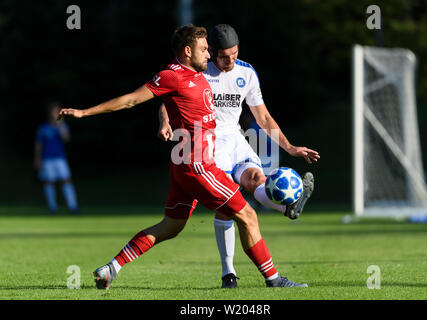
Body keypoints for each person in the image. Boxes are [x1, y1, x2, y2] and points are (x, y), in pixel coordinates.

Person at [59, 24, 307, 289]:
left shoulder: (198, 72)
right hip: (198, 165)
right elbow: (132, 99)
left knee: (171, 227)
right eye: (204, 50)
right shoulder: (171, 75)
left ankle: (112, 267)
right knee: (247, 215)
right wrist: (85, 113)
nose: (209, 55)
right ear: (188, 51)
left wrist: (167, 122)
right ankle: (273, 278)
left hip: (181, 165)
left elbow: (170, 103)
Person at [157, 24, 319, 288]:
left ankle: (287, 207)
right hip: (207, 143)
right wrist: (164, 122)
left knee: (256, 179)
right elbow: (166, 97)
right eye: (223, 56)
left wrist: (290, 148)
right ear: (211, 52)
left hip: (235, 139)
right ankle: (228, 272)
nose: (229, 60)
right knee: (228, 208)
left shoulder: (247, 72)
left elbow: (263, 117)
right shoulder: (199, 69)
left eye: (234, 54)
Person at [34, 102, 79, 215]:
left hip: (60, 158)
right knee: (49, 183)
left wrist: (60, 125)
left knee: (66, 181)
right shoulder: (43, 128)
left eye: (56, 112)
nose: (54, 114)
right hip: (47, 159)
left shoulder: (62, 126)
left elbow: (66, 139)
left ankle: (73, 207)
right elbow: (38, 145)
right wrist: (37, 159)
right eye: (52, 112)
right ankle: (52, 208)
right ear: (49, 113)